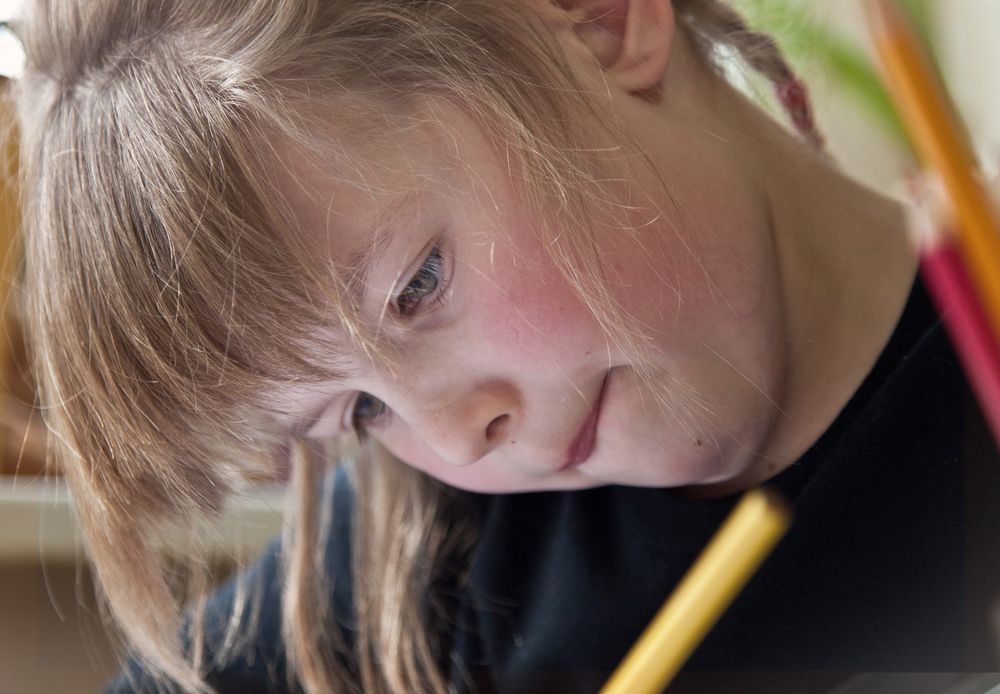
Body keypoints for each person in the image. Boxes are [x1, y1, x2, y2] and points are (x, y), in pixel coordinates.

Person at [11, 0, 1000, 692]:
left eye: (419, 285)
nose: (456, 432)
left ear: (596, 19)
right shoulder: (420, 549)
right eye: (359, 411)